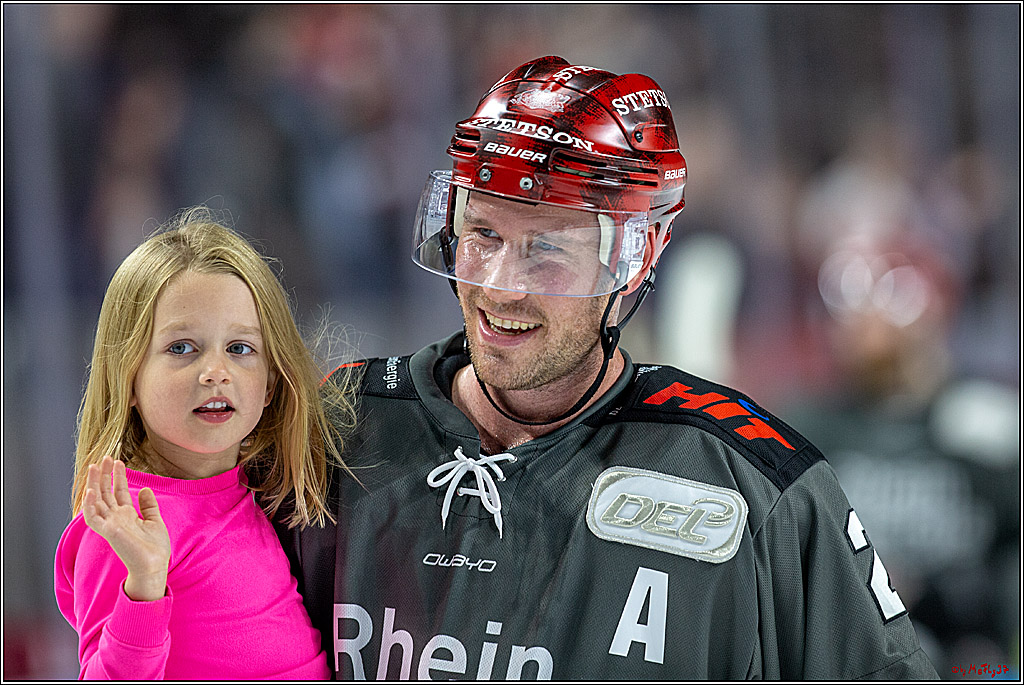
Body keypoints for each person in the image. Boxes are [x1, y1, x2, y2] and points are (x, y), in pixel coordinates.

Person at [279, 56, 939, 679]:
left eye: (546, 247)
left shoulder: (758, 486)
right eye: (484, 234)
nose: (501, 288)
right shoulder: (338, 426)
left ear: (638, 256)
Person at [55, 208, 355, 679]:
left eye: (240, 349)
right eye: (182, 348)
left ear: (271, 383)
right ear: (128, 379)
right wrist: (146, 585)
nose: (216, 371)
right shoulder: (123, 524)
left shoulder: (257, 494)